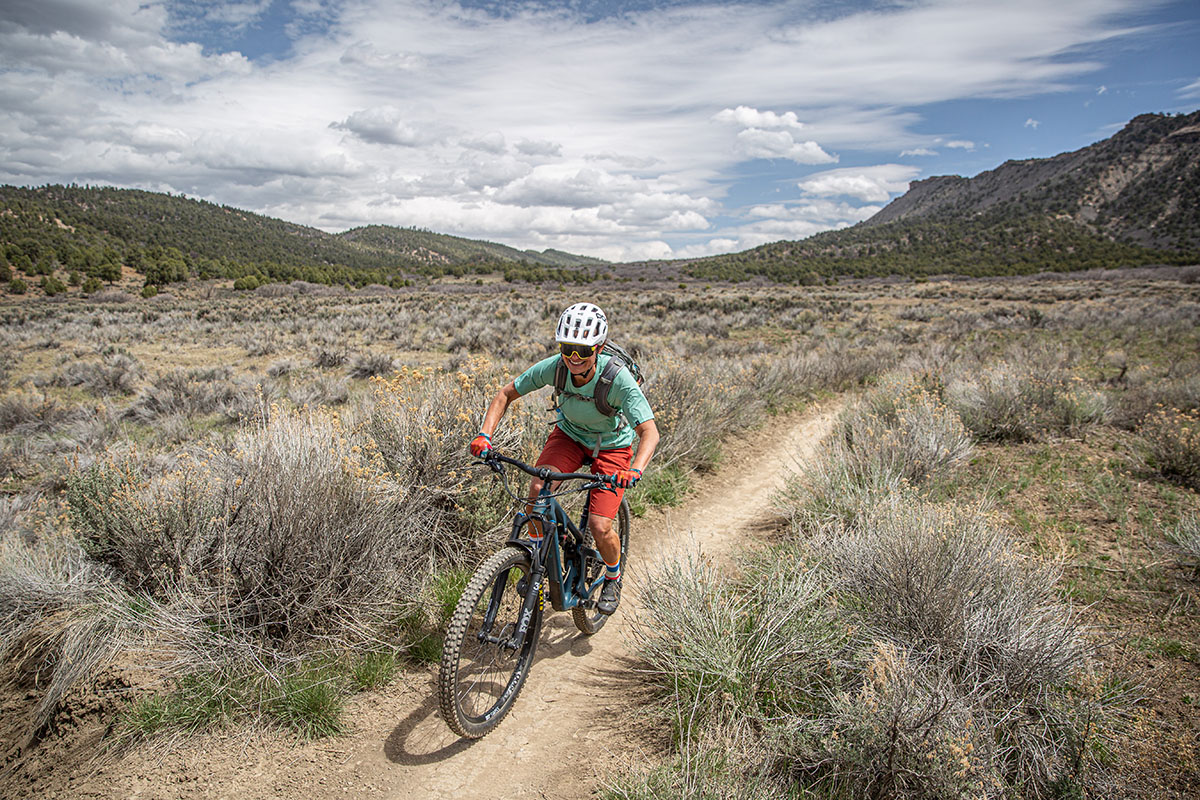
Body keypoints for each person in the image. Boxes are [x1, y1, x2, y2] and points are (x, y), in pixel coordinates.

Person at [469, 302, 658, 615]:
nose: (573, 357)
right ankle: (537, 561)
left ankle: (613, 575)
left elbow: (649, 432)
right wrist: (484, 435)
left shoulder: (617, 380)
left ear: (597, 348)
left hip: (612, 446)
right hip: (569, 436)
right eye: (568, 348)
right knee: (536, 492)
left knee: (599, 525)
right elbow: (505, 394)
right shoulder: (555, 367)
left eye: (583, 350)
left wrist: (635, 470)